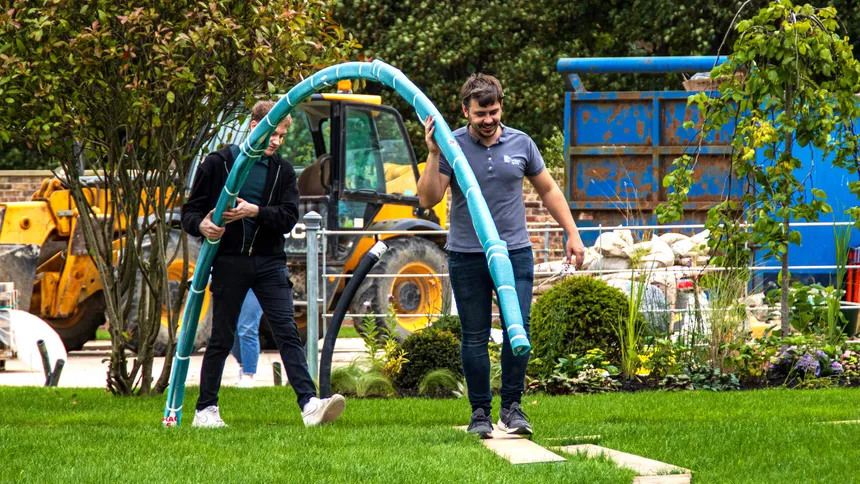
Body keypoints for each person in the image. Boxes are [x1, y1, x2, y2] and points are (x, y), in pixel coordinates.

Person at [417, 74, 586, 439]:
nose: (489, 120)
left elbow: (549, 189)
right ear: (465, 111)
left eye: (493, 111)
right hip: (467, 254)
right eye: (480, 114)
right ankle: (480, 412)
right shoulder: (452, 146)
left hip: (515, 254)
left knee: (517, 330)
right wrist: (433, 153)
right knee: (474, 337)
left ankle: (512, 408)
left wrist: (572, 233)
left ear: (501, 107)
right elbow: (427, 199)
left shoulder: (522, 143)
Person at [181, 100, 345, 428]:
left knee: (286, 331)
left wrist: (254, 211)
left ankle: (309, 405)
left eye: (283, 136)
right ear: (255, 124)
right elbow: (190, 212)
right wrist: (202, 226)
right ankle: (205, 410)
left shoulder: (282, 171)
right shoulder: (218, 164)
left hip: (269, 261)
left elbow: (287, 217)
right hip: (228, 261)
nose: (277, 142)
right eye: (273, 133)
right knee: (222, 336)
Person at [231, 289, 264, 388]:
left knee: (247, 327)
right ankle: (243, 365)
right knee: (231, 329)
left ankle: (248, 374)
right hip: (231, 281)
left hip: (256, 284)